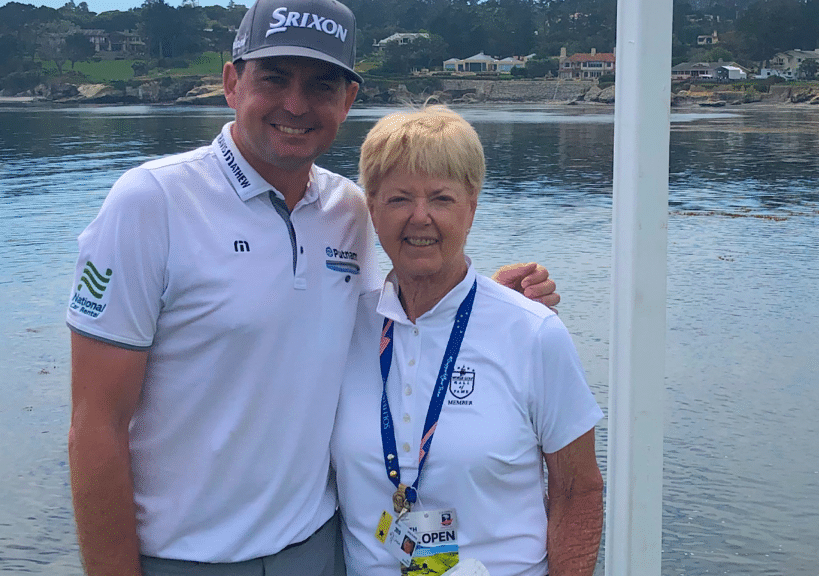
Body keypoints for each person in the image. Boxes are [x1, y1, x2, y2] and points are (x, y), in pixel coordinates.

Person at [65, 1, 556, 574]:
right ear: (231, 82)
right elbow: (94, 425)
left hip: (319, 549)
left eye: (321, 85)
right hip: (182, 557)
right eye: (273, 78)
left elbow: (391, 323)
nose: (295, 105)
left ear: (347, 102)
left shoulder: (348, 209)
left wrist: (483, 303)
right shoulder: (151, 203)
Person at [331, 105, 604, 576]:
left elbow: (578, 490)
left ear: (472, 206)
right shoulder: (341, 327)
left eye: (441, 198)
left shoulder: (533, 333)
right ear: (371, 208)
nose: (421, 218)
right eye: (398, 199)